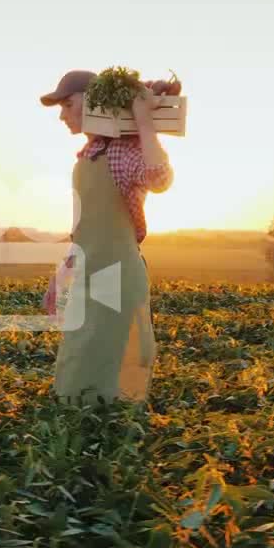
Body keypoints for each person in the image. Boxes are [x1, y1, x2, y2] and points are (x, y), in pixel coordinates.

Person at [38, 70, 175, 404]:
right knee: (74, 378)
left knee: (112, 383)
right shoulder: (88, 157)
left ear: (94, 101)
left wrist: (144, 121)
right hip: (89, 277)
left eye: (67, 104)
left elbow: (159, 179)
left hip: (117, 279)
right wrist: (60, 277)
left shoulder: (120, 153)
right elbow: (85, 229)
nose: (62, 115)